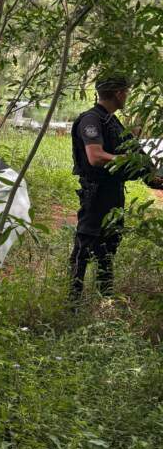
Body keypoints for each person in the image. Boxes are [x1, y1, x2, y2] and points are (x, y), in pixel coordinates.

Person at [70, 75, 162, 300]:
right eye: (126, 92)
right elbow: (95, 156)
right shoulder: (91, 120)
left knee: (108, 249)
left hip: (113, 193)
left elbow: (133, 154)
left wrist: (151, 175)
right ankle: (73, 303)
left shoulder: (112, 121)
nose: (127, 96)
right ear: (119, 93)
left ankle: (105, 302)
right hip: (96, 194)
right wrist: (129, 161)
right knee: (84, 248)